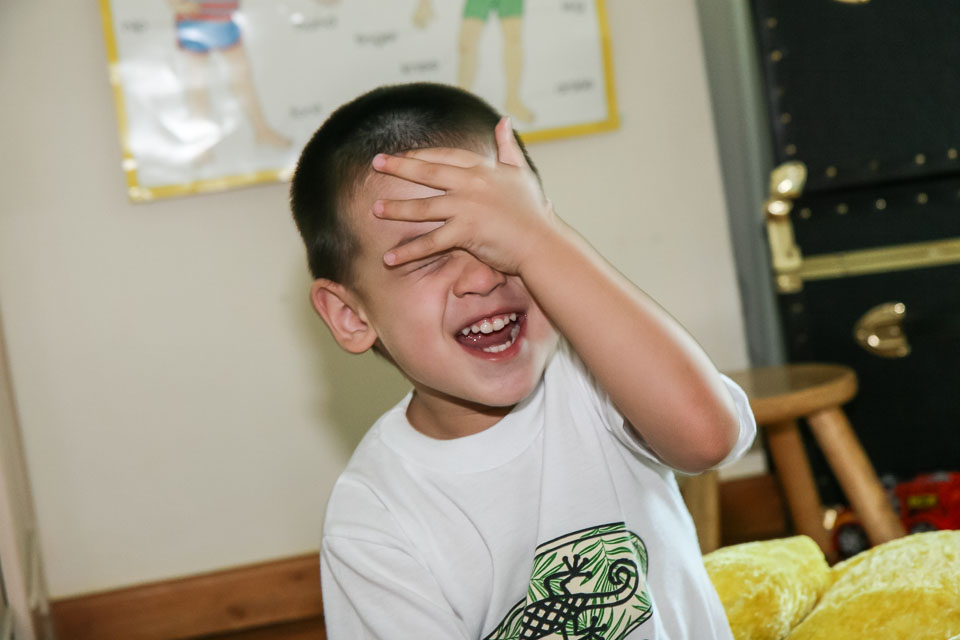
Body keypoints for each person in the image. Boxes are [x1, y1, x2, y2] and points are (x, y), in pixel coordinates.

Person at [289, 82, 756, 639]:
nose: (483, 276)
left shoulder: (596, 375)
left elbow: (707, 439)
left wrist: (538, 242)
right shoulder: (374, 520)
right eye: (428, 256)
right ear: (350, 315)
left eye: (502, 236)